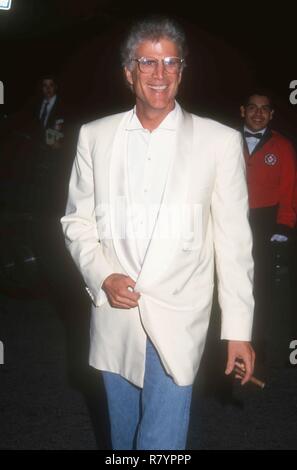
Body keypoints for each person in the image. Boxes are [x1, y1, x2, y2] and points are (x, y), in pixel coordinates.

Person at [61, 16, 255, 450]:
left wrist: (238, 330)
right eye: (147, 62)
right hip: (116, 312)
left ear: (182, 71)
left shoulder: (218, 142)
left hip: (180, 314)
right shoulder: (95, 137)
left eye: (171, 62)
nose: (160, 74)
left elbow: (234, 241)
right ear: (128, 72)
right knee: (123, 438)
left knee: (159, 443)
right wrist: (102, 276)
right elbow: (77, 220)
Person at [240, 92, 296, 373]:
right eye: (253, 108)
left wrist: (284, 224)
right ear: (243, 111)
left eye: (265, 109)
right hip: (231, 218)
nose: (258, 114)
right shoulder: (227, 140)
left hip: (264, 221)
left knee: (259, 287)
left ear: (271, 114)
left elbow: (289, 188)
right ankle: (222, 346)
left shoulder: (282, 146)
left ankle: (256, 349)